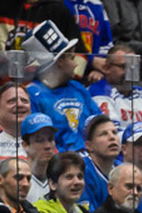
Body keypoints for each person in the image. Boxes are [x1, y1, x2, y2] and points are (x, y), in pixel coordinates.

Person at [22, 20, 104, 155]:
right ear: (60, 61)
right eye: (72, 58)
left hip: (91, 161)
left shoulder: (78, 88)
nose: (75, 64)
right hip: (58, 164)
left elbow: (100, 124)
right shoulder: (33, 94)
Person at [20, 113, 58, 205]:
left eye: (50, 139)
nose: (48, 146)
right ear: (25, 145)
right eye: (40, 140)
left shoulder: (61, 178)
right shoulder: (18, 181)